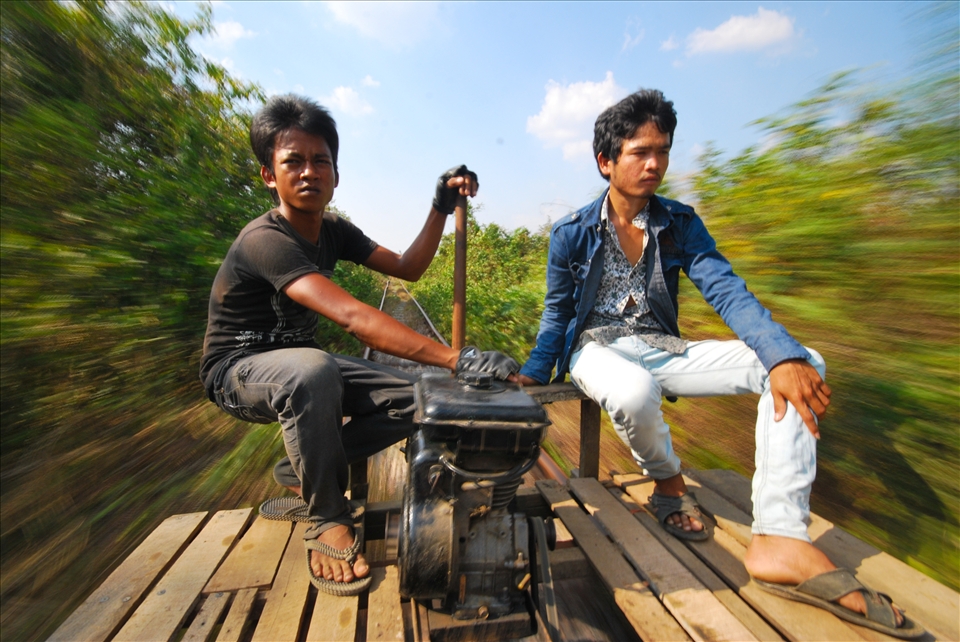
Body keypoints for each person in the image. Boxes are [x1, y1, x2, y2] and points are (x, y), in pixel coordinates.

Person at [515, 89, 921, 638]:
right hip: (597, 350)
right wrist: (535, 374)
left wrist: (779, 355)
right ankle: (667, 482)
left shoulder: (679, 223)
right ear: (605, 161)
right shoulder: (570, 234)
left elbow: (729, 293)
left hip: (662, 346)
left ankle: (780, 536)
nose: (655, 163)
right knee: (633, 391)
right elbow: (557, 313)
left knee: (806, 363)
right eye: (639, 152)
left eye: (662, 150)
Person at [200, 94, 518, 596]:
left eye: (320, 161)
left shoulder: (333, 232)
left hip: (302, 363)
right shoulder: (264, 239)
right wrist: (460, 358)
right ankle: (328, 517)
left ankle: (298, 471)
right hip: (237, 370)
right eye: (294, 162)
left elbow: (408, 267)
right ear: (269, 175)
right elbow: (353, 316)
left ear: (336, 174)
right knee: (312, 371)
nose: (309, 172)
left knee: (423, 398)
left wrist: (439, 204)